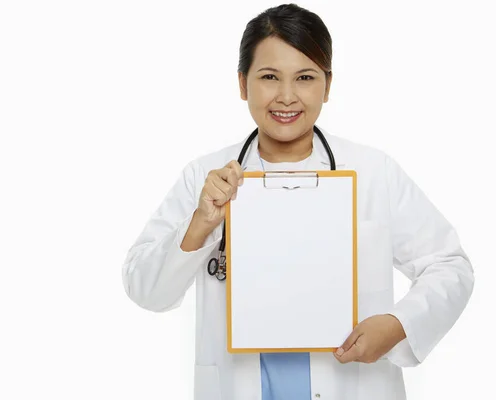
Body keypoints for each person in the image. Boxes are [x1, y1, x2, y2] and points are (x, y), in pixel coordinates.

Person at [121, 3, 474, 400]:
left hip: (351, 384)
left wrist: (398, 324)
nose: (286, 97)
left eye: (305, 77)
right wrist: (201, 223)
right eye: (269, 77)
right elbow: (145, 289)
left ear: (327, 84)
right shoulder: (204, 177)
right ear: (242, 84)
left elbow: (449, 265)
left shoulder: (374, 172)